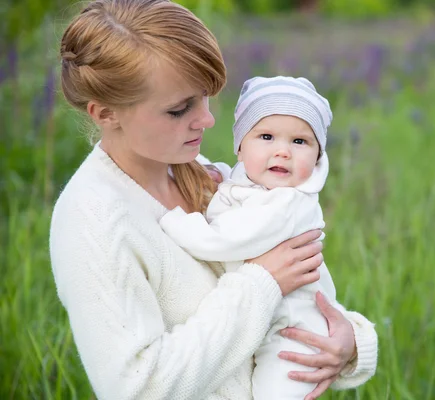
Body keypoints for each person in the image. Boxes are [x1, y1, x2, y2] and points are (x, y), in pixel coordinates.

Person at [49, 1, 378, 399]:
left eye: (205, 97)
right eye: (178, 109)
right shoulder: (94, 223)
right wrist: (262, 283)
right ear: (105, 113)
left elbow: (297, 293)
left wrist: (349, 345)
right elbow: (138, 388)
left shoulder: (206, 172)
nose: (207, 119)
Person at [160, 76, 354, 399]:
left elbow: (226, 240)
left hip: (294, 333)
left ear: (318, 155)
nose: (282, 152)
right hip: (266, 320)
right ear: (240, 147)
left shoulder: (288, 203)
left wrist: (176, 222)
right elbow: (234, 194)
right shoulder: (251, 184)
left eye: (300, 142)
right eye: (266, 136)